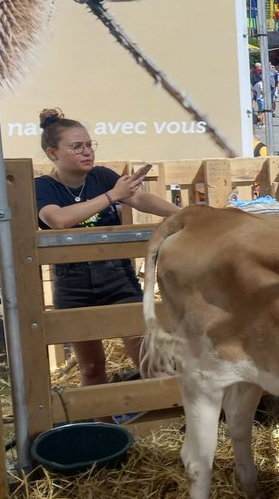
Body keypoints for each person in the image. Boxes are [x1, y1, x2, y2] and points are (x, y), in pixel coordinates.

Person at [34, 109, 181, 395]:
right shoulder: (43, 186)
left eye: (89, 145)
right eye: (77, 146)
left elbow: (139, 198)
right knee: (91, 367)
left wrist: (187, 213)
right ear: (53, 153)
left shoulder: (101, 176)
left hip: (118, 278)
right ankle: (104, 430)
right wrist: (113, 195)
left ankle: (168, 418)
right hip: (72, 285)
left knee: (150, 357)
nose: (87, 152)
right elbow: (58, 219)